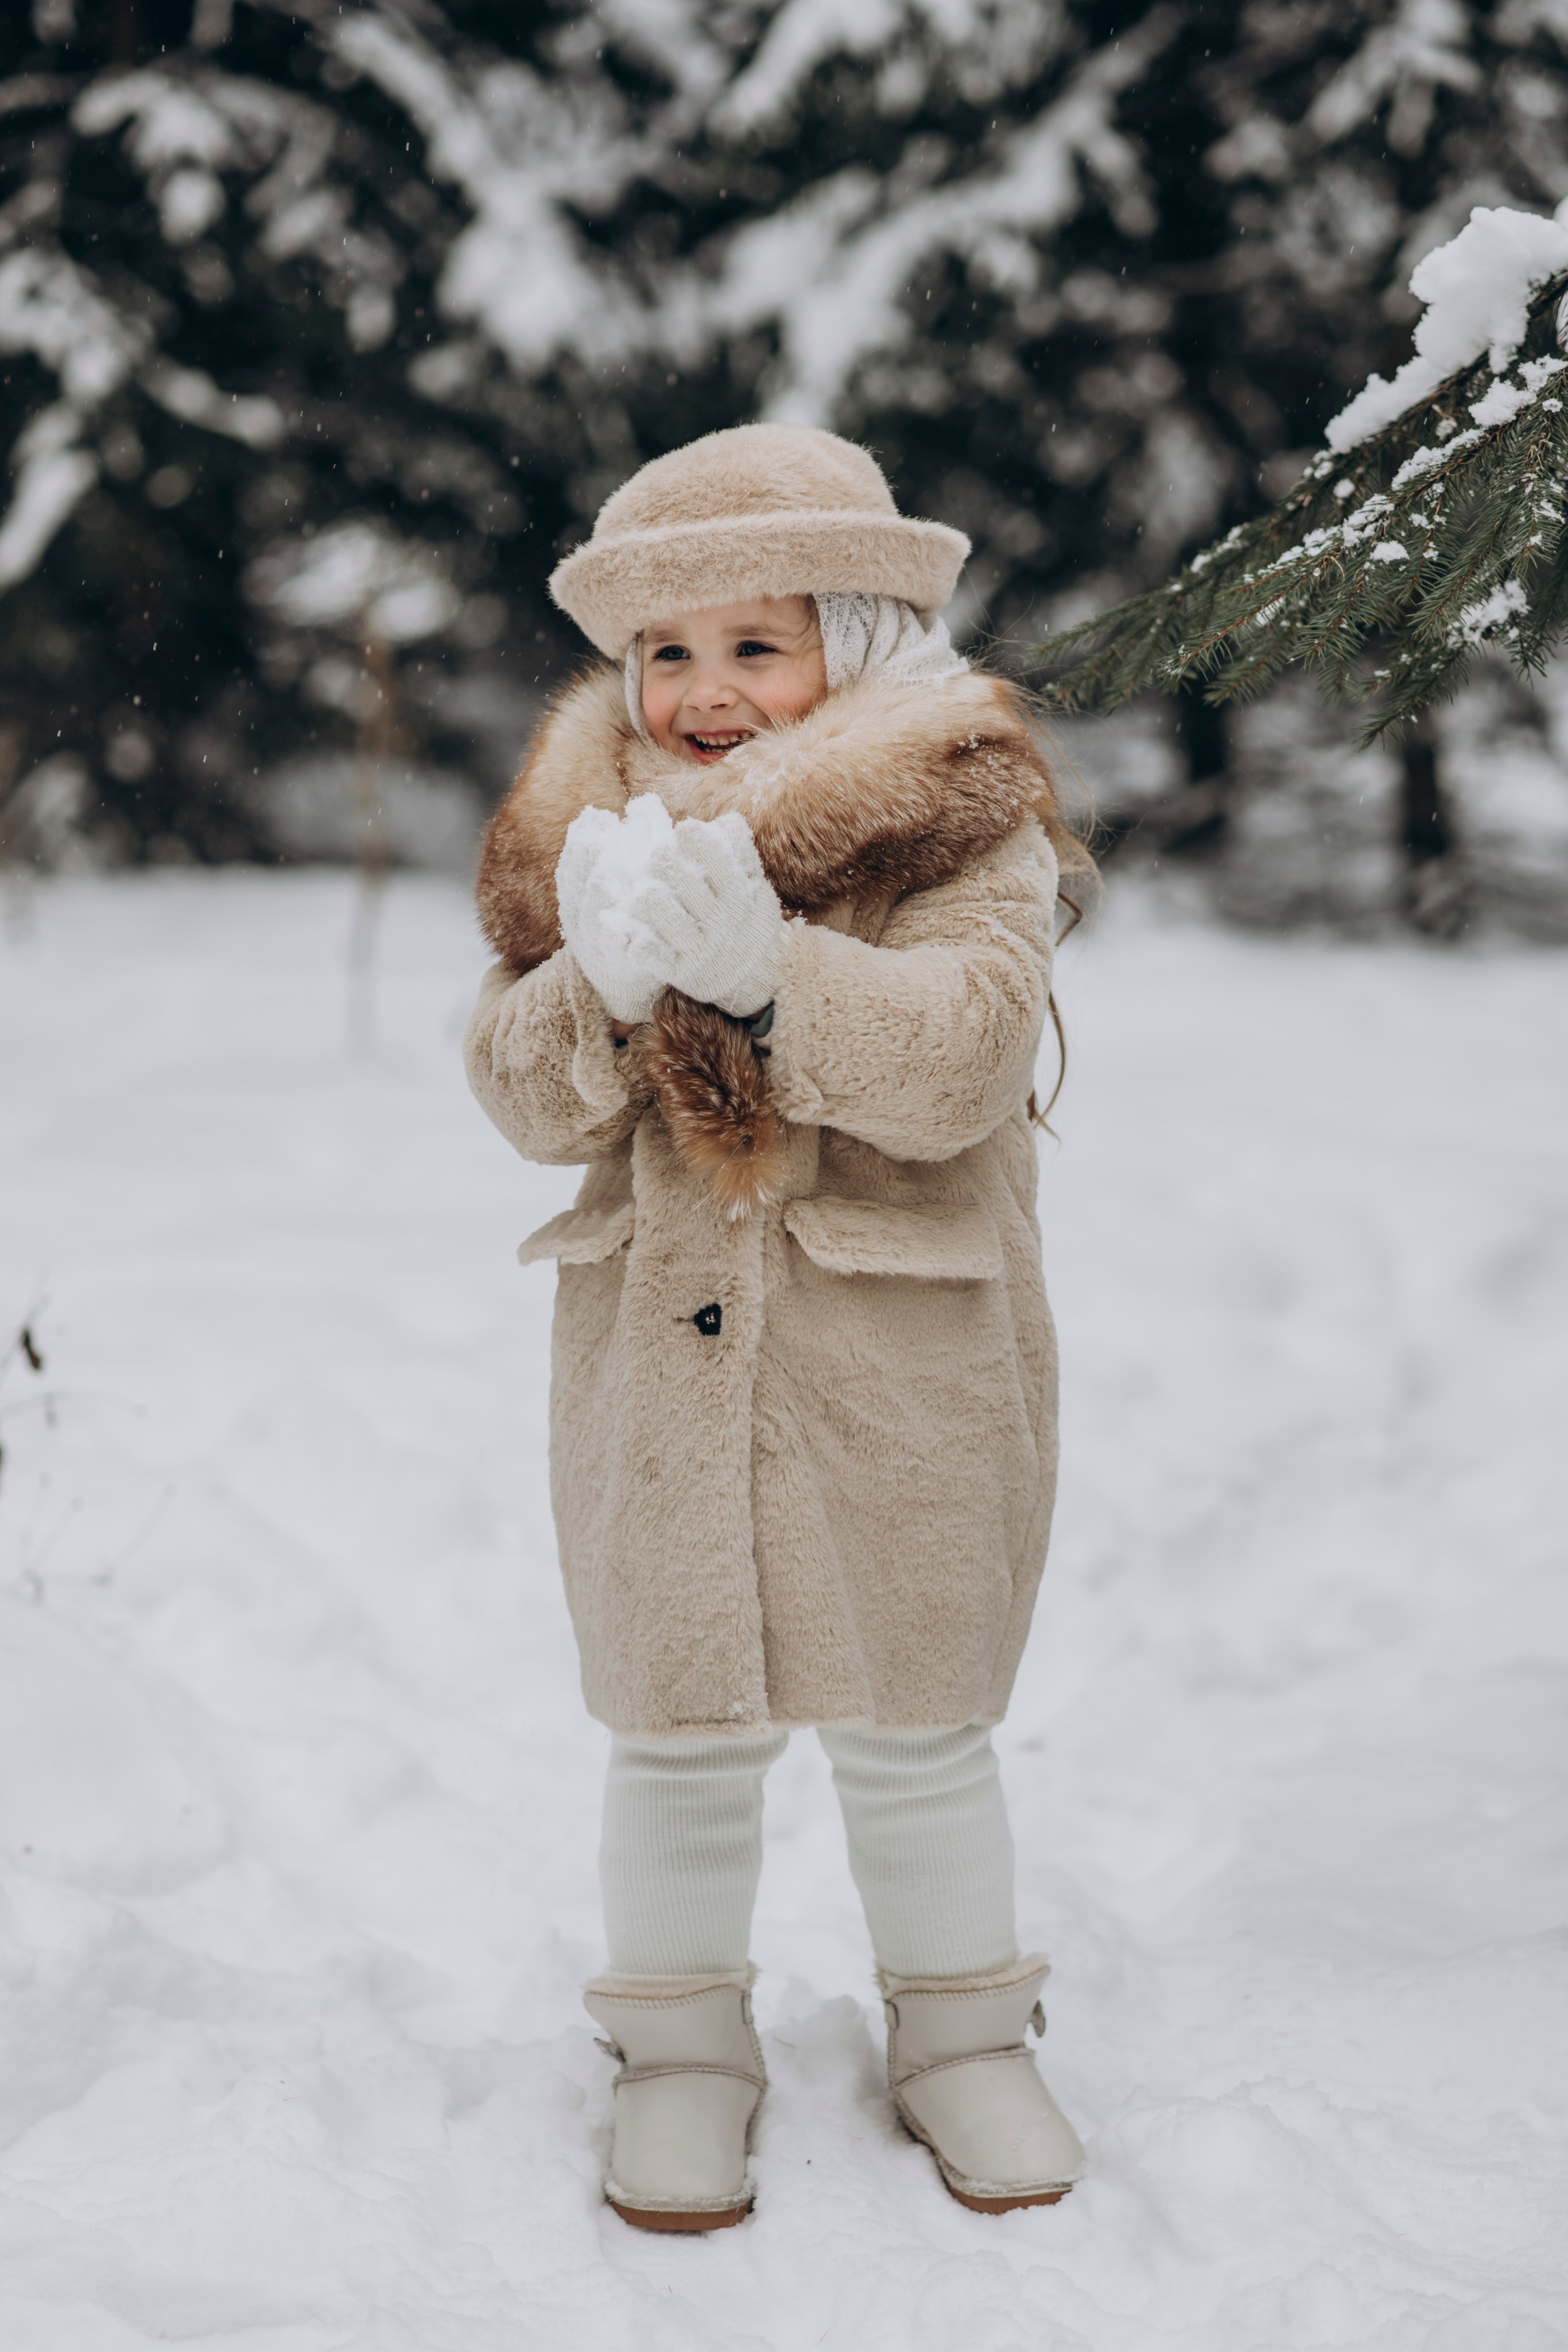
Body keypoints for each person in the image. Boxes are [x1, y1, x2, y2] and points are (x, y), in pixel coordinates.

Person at [464, 423, 1090, 2231]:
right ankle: (679, 2048)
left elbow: (962, 1058)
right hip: (659, 1365)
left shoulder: (965, 824)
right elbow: (518, 1090)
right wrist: (604, 980)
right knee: (677, 1729)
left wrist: (767, 976)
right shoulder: (582, 846)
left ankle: (965, 2029)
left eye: (756, 644)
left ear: (859, 633)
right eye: (668, 652)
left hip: (899, 1369)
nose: (704, 691)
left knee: (916, 1717)